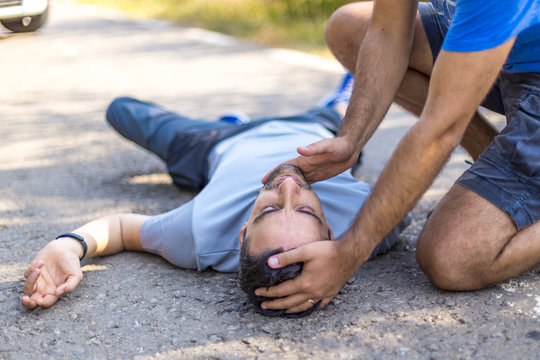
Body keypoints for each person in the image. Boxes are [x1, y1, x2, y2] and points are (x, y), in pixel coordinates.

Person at [20, 79, 411, 317]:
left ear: (242, 235)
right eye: (307, 208)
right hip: (318, 135)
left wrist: (69, 244)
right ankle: (338, 101)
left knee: (120, 109)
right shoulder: (370, 220)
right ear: (329, 232)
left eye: (270, 208)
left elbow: (122, 229)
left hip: (214, 145)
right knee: (348, 125)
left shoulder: (198, 235)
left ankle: (232, 122)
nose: (289, 185)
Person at [255, 0, 540, 315]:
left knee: (452, 258)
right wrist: (352, 137)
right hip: (517, 47)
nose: (289, 191)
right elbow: (387, 31)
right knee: (349, 27)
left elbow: (440, 130)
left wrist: (348, 254)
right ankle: (501, 158)